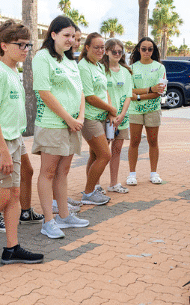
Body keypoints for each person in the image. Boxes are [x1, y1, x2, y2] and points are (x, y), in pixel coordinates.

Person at [32, 15, 88, 239]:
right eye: (66, 35)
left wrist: (80, 118)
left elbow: (80, 92)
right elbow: (44, 93)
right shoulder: (42, 57)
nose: (71, 40)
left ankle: (64, 216)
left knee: (63, 172)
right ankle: (48, 221)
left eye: (73, 36)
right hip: (53, 125)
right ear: (53, 34)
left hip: (73, 125)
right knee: (48, 172)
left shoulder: (70, 61)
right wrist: (68, 118)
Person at [0, 20, 43, 263]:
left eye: (28, 44)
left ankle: (11, 248)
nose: (26, 48)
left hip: (15, 139)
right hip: (3, 143)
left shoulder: (13, 71)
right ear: (4, 45)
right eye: (21, 44)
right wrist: (4, 151)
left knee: (14, 194)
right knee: (5, 196)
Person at [77, 33, 114, 205]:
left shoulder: (98, 66)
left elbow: (104, 91)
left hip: (102, 117)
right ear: (87, 48)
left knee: (94, 155)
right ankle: (88, 192)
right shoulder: (83, 67)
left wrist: (110, 111)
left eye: (102, 48)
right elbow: (90, 96)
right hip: (90, 117)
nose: (100, 50)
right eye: (96, 47)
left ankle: (92, 188)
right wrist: (111, 108)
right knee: (105, 155)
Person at [126, 37, 166, 186]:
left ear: (153, 51)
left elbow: (159, 92)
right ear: (138, 50)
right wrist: (149, 90)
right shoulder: (132, 68)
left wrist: (138, 96)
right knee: (134, 142)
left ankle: (154, 173)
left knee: (153, 141)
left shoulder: (159, 67)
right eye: (144, 49)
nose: (147, 52)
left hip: (153, 110)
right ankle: (132, 174)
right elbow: (129, 91)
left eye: (150, 49)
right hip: (135, 110)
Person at [104, 38, 133, 193]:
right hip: (105, 118)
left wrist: (122, 114)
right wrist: (111, 114)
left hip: (122, 118)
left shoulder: (126, 72)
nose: (116, 54)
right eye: (113, 51)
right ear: (106, 51)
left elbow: (128, 95)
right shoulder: (101, 69)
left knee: (117, 150)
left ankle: (113, 183)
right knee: (100, 153)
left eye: (119, 52)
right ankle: (94, 185)